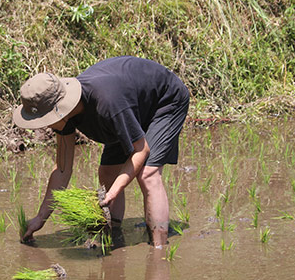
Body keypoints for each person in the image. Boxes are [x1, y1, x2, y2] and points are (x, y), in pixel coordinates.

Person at [12, 56, 189, 248]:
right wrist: (40, 217)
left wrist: (113, 191)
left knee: (148, 174)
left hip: (165, 101)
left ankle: (159, 249)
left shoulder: (107, 104)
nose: (44, 126)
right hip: (130, 105)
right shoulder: (65, 118)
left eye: (44, 120)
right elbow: (62, 169)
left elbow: (140, 150)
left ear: (59, 110)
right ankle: (113, 236)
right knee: (107, 173)